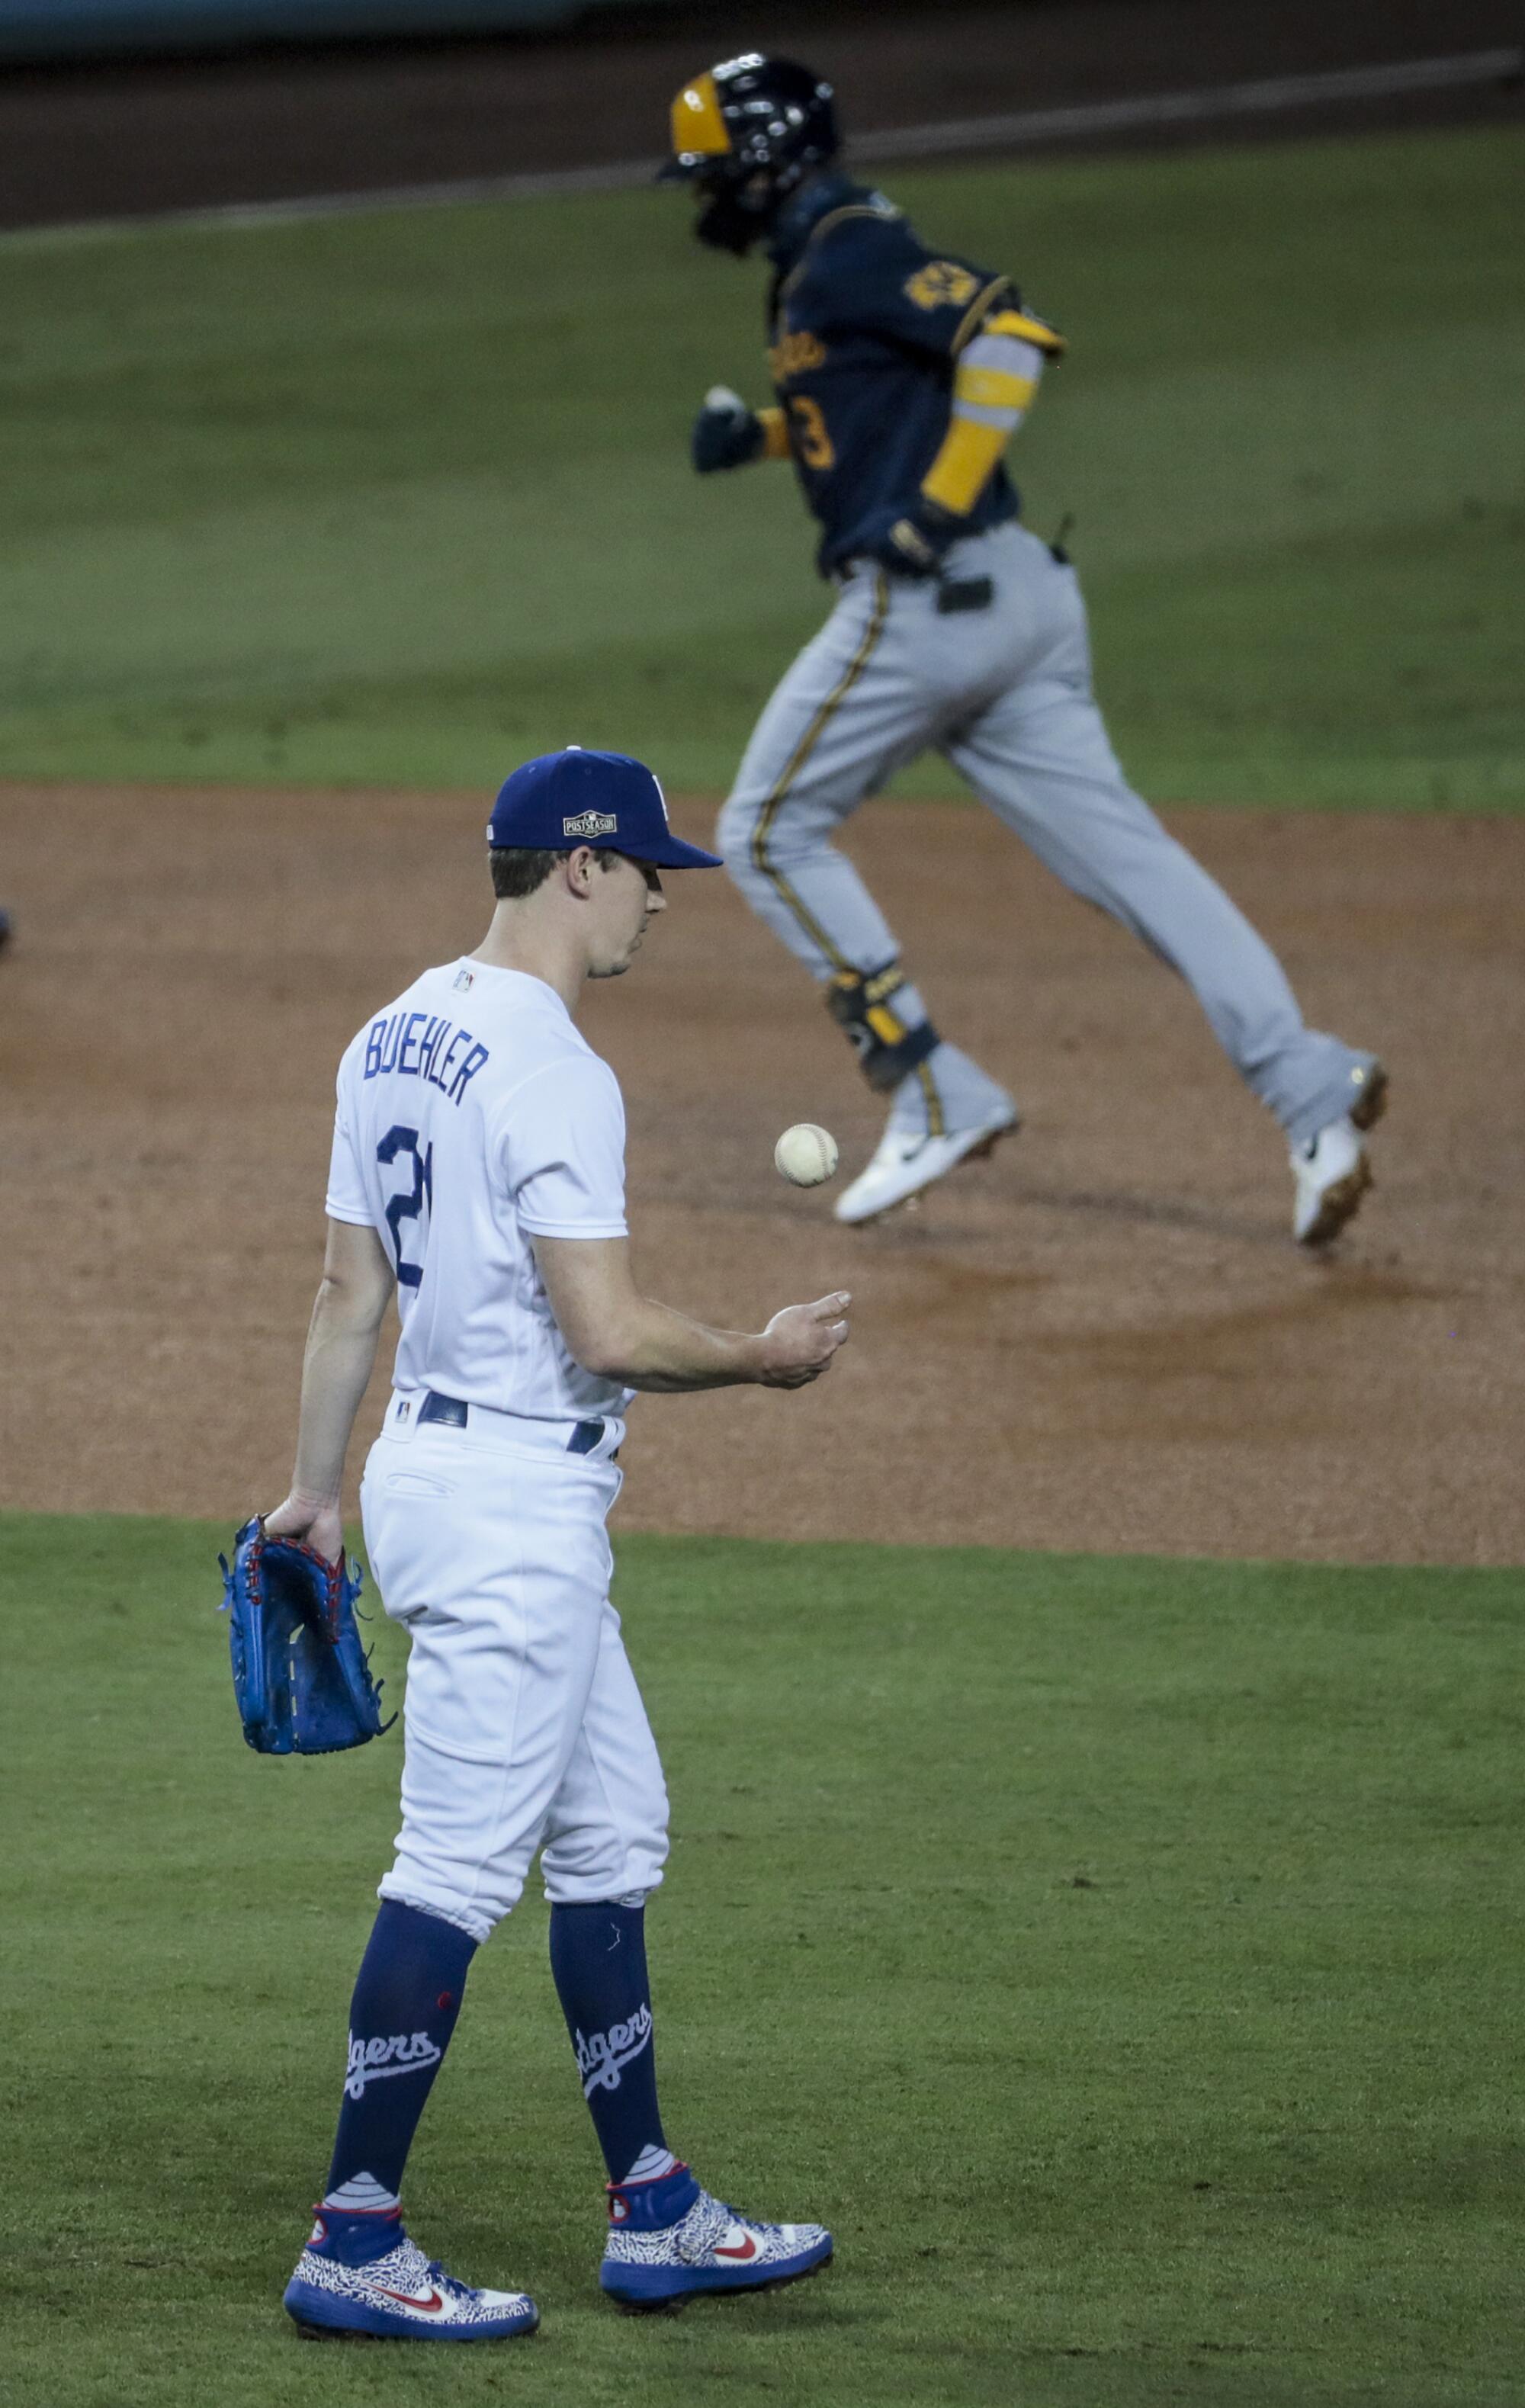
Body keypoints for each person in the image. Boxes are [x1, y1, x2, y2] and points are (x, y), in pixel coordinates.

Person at [265, 747, 846, 2340]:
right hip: (518, 1504)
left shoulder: (389, 1029)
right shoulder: (555, 1066)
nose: (665, 893)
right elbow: (606, 1328)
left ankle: (653, 2203)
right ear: (578, 866)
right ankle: (354, 2234)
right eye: (649, 865)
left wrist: (315, 1493)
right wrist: (760, 1351)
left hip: (431, 1473)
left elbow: (345, 1294)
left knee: (611, 1836)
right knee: (452, 1868)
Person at [662, 55, 1387, 1244]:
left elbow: (1007, 335)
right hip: (1021, 607)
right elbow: (863, 418)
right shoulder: (816, 270)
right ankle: (1315, 1092)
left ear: (766, 162)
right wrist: (757, 442)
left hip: (930, 601)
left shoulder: (849, 244)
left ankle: (933, 1085)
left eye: (710, 175)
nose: (701, 200)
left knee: (763, 827)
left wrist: (938, 503)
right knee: (1139, 868)